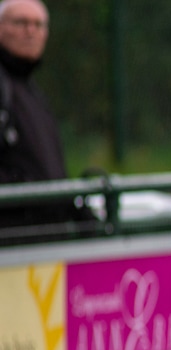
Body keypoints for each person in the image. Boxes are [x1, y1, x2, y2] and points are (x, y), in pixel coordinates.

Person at [0, 0, 91, 233]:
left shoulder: (30, 90)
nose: (30, 31)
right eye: (21, 22)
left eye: (38, 25)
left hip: (46, 239)